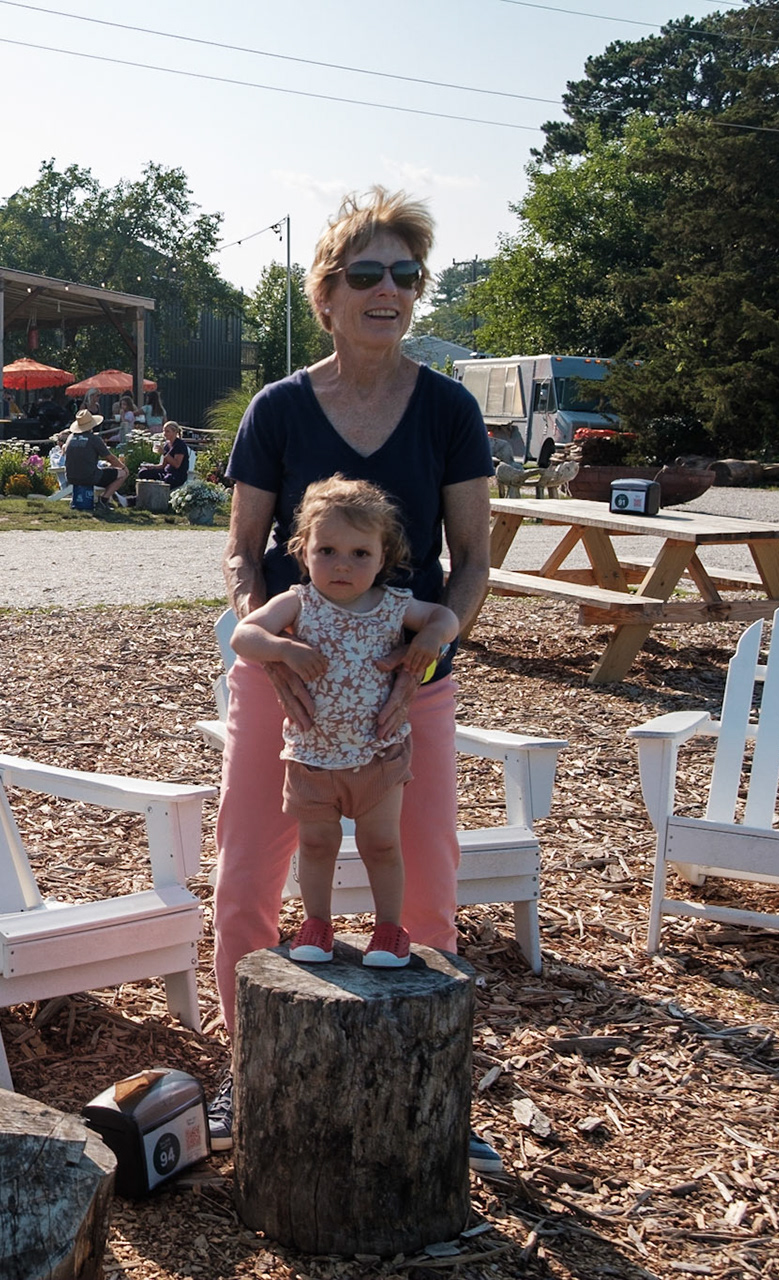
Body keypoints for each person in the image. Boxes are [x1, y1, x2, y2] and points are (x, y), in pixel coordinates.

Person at [211, 187, 493, 1163]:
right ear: (325, 294)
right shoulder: (279, 409)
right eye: (366, 274)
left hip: (403, 690)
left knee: (423, 883)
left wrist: (434, 643)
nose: (389, 290)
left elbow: (472, 559)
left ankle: (432, 1102)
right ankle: (245, 1079)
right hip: (282, 685)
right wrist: (268, 643)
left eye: (405, 274)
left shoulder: (449, 408)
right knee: (250, 873)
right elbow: (244, 551)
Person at [231, 477, 461, 968]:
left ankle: (390, 929)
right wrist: (282, 647)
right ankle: (317, 924)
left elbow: (445, 618)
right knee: (316, 843)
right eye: (327, 550)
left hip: (377, 753)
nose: (342, 564)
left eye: (360, 554)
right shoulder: (298, 602)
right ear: (304, 550)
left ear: (384, 558)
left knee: (382, 843)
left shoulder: (395, 606)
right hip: (312, 755)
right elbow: (244, 636)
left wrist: (429, 642)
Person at [62, 408, 126, 508]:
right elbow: (110, 458)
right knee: (122, 474)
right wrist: (123, 467)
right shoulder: (94, 439)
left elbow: (66, 451)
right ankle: (104, 500)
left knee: (106, 473)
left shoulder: (70, 438)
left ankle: (103, 499)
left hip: (70, 476)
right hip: (89, 476)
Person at [138, 420, 191, 487]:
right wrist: (151, 466)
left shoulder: (180, 445)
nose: (164, 433)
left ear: (174, 432)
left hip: (177, 475)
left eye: (167, 431)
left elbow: (176, 465)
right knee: (143, 472)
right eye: (164, 431)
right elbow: (163, 466)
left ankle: (160, 494)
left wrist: (164, 452)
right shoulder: (167, 444)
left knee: (167, 479)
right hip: (165, 472)